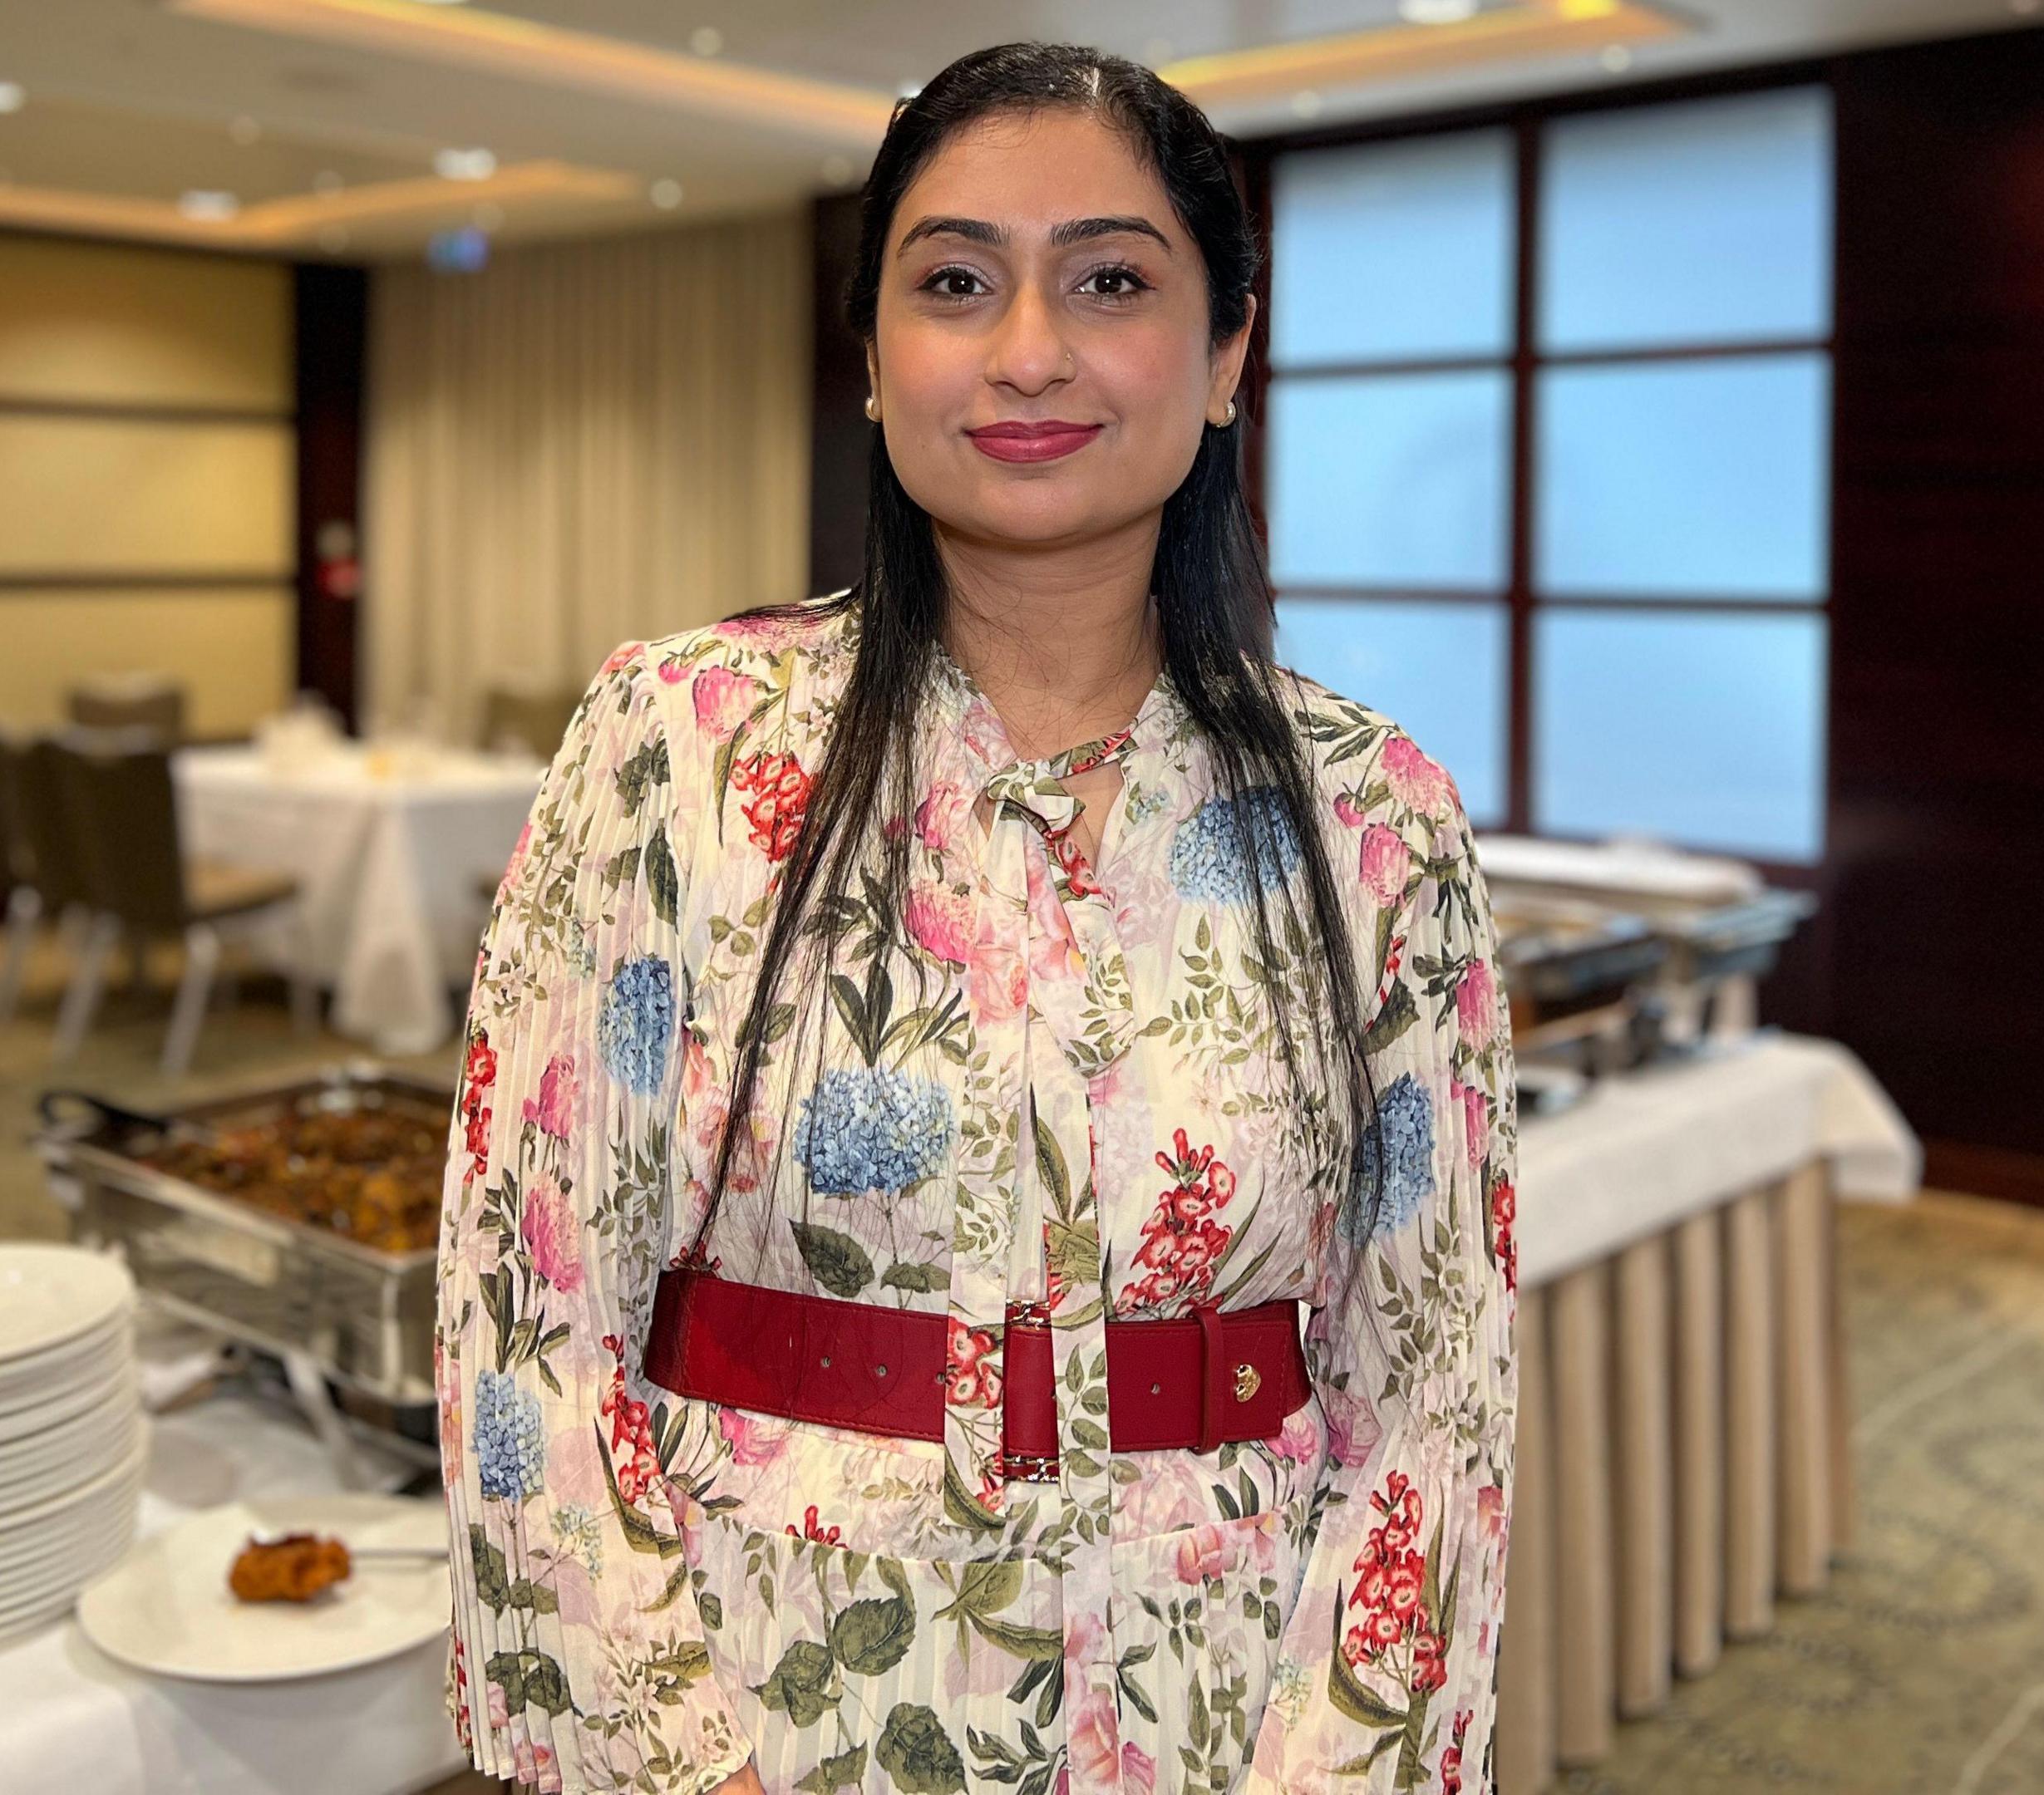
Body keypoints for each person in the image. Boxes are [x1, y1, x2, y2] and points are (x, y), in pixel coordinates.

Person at [435, 42, 1518, 1795]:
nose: (1029, 351)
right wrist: (672, 1765)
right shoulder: (677, 744)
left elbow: (1438, 1387)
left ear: (1228, 350)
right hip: (760, 1689)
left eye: (1109, 280)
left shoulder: (1374, 812)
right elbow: (531, 1313)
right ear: (873, 356)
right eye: (954, 283)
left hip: (1224, 1696)